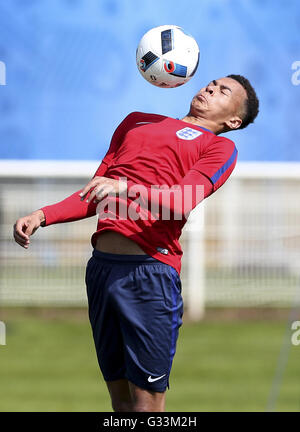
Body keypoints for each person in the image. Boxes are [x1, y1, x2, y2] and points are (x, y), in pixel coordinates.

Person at [13, 74, 259, 412]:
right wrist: (43, 215)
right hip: (101, 271)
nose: (210, 89)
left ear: (234, 119)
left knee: (147, 405)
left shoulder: (219, 148)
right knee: (121, 403)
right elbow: (96, 191)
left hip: (150, 274)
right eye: (212, 83)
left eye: (223, 91)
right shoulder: (135, 121)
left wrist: (124, 188)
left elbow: (182, 200)